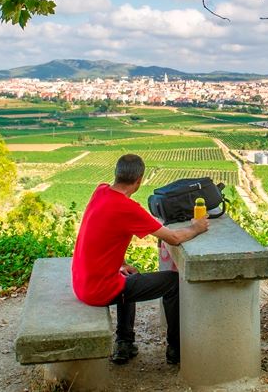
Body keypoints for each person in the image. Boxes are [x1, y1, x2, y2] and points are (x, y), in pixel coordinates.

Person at [71, 153, 209, 365]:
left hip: (82, 282)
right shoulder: (128, 208)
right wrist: (196, 227)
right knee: (173, 283)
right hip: (98, 290)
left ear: (116, 174)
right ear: (139, 180)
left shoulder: (100, 191)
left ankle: (124, 343)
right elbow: (173, 238)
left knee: (129, 277)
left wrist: (121, 263)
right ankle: (176, 350)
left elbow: (104, 233)